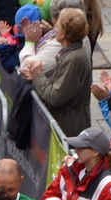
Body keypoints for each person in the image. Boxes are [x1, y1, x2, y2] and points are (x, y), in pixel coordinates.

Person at [25, 6, 90, 134]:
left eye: (57, 25)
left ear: (64, 33)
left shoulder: (73, 59)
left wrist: (38, 75)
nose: (54, 29)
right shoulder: (69, 52)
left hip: (68, 128)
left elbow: (56, 98)